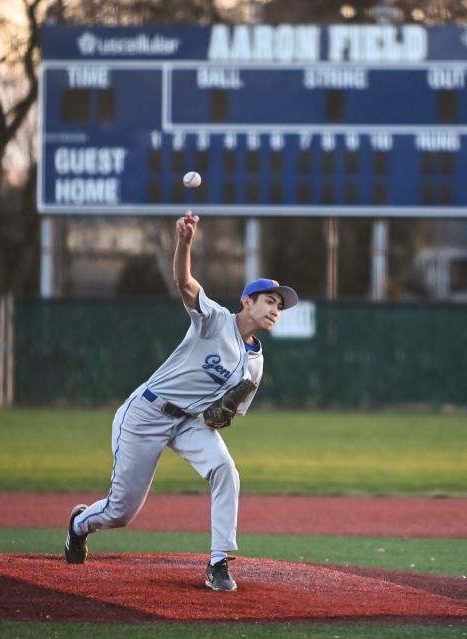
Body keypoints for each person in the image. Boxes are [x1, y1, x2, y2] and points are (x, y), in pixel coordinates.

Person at [64, 211, 298, 592]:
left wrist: (221, 418)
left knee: (225, 469)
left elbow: (226, 416)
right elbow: (185, 283)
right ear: (247, 301)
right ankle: (78, 524)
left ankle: (219, 561)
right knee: (121, 512)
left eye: (279, 306)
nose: (275, 309)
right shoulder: (215, 321)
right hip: (147, 413)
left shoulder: (256, 364)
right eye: (269, 300)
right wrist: (185, 242)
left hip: (191, 422)